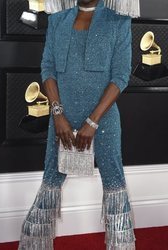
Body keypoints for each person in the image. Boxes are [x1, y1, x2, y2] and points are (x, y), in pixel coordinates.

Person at [18, 0, 140, 249]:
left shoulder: (119, 21)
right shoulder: (57, 20)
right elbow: (48, 69)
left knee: (114, 185)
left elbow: (120, 76)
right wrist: (58, 114)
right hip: (61, 120)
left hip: (103, 121)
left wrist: (93, 121)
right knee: (50, 183)